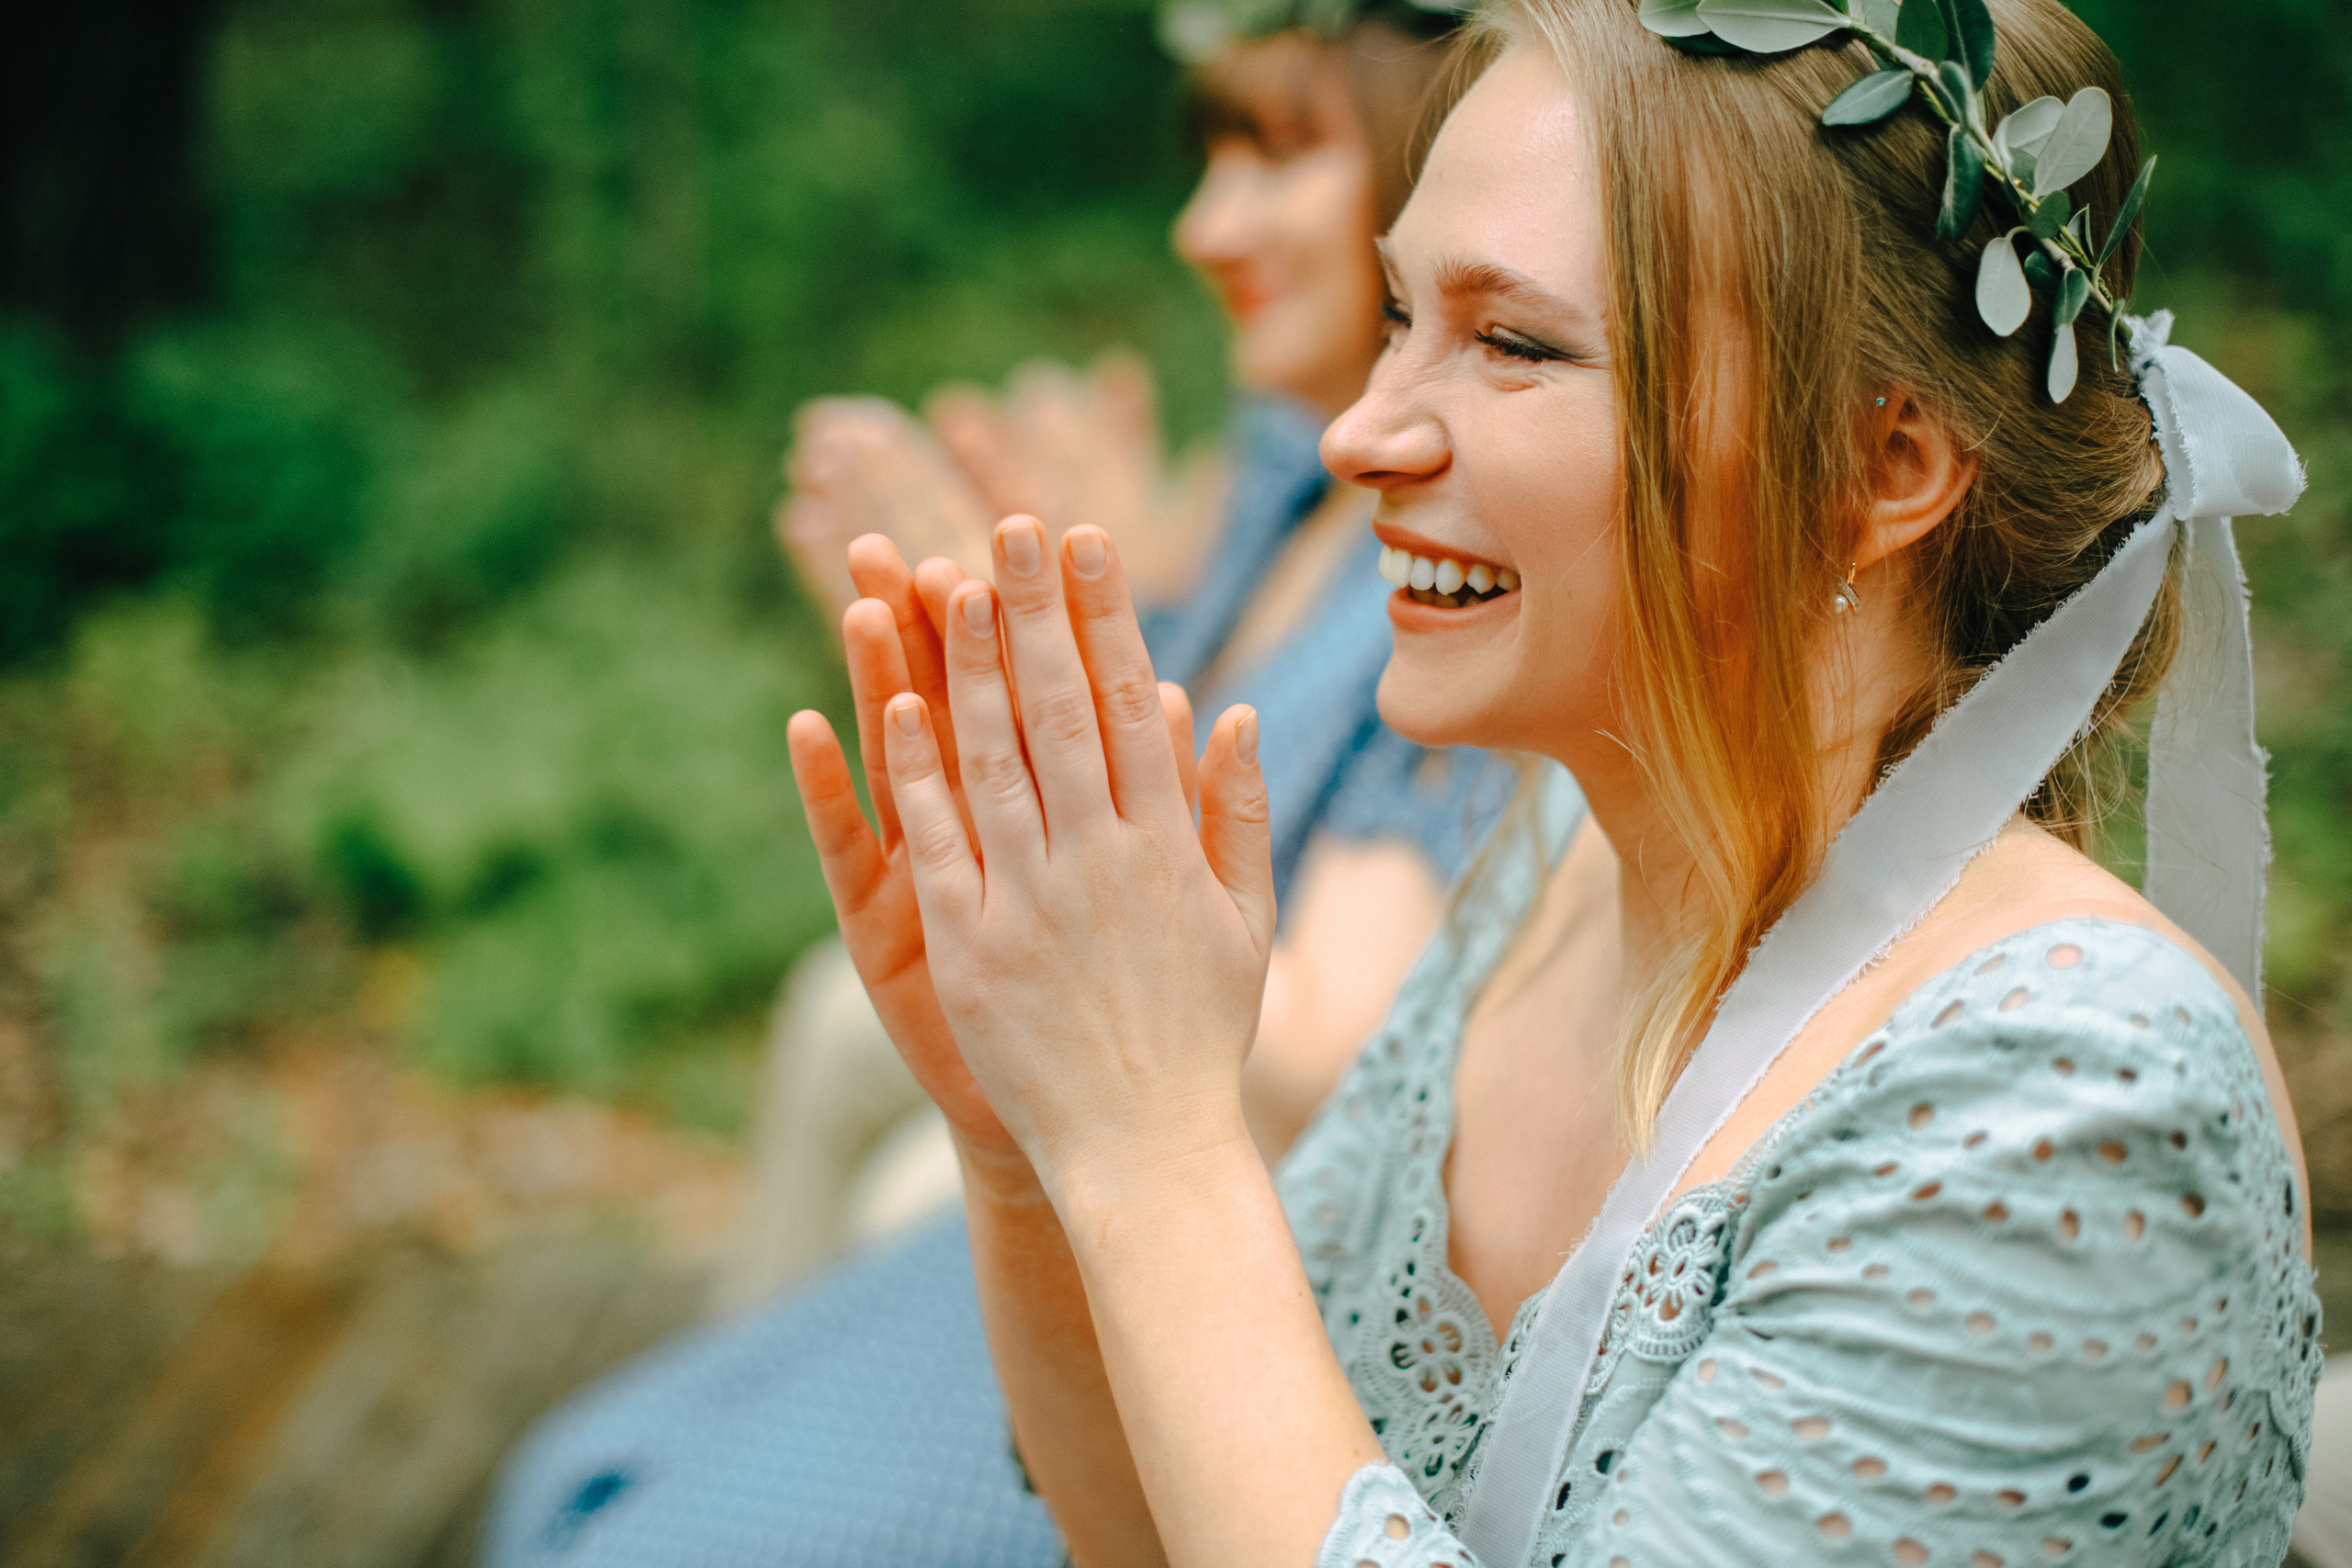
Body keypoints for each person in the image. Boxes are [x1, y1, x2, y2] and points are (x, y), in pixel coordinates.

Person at [788, 0, 2324, 1563]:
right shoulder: (1544, 880)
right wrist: (1030, 1137)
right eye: (1400, 315)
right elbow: (1152, 1537)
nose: (1359, 434)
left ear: (1882, 470)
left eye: (1513, 343)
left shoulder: (2062, 1103)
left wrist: (1156, 1147)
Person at [485, 5, 1499, 1564]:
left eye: (1281, 152)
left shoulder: (1455, 581)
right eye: (1210, 156)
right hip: (1076, 1145)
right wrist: (985, 627)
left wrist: (1008, 673)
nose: (1205, 224)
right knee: (576, 1469)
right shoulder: (1287, 474)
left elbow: (1321, 1045)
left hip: (1229, 1228)